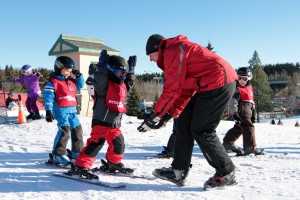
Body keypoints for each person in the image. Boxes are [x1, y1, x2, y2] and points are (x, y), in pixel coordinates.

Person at [137, 34, 238, 189]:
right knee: (183, 123)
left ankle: (226, 172)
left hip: (219, 82)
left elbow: (171, 88)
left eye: (150, 55)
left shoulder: (173, 50)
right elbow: (184, 91)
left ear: (157, 49)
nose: (151, 60)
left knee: (202, 129)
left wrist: (154, 116)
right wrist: (167, 116)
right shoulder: (174, 53)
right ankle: (179, 170)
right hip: (207, 85)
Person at [73, 51, 136, 177]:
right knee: (95, 144)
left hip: (114, 124)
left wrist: (131, 70)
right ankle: (80, 166)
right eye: (119, 73)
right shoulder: (103, 84)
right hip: (101, 121)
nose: (122, 76)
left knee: (119, 144)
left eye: (124, 74)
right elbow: (100, 75)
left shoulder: (122, 85)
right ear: (111, 71)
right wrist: (102, 64)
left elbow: (129, 82)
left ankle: (113, 162)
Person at [43, 56, 85, 165]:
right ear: (58, 68)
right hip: (61, 111)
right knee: (64, 132)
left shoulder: (71, 81)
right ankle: (58, 154)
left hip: (72, 111)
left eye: (70, 71)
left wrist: (79, 76)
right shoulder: (53, 82)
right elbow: (48, 97)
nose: (68, 72)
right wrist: (48, 110)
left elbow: (81, 85)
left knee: (77, 131)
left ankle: (77, 153)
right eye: (66, 70)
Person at [223, 67, 264, 156]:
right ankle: (250, 147)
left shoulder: (248, 87)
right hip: (241, 112)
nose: (241, 80)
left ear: (249, 79)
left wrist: (253, 113)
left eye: (244, 78)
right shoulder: (236, 88)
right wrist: (234, 114)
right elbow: (233, 102)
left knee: (239, 128)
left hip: (247, 110)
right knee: (249, 127)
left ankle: (227, 143)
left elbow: (250, 101)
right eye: (239, 78)